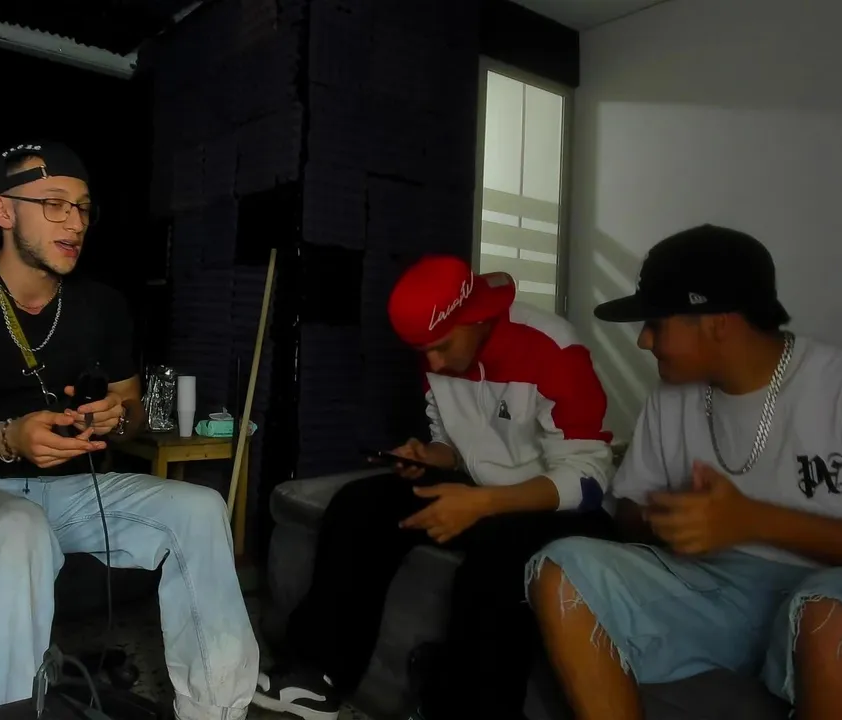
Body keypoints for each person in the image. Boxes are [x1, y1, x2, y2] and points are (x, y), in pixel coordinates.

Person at [0, 141, 257, 719]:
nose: (76, 223)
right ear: (2, 211)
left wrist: (116, 417)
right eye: (55, 204)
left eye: (83, 207)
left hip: (74, 493)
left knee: (201, 508)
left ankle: (217, 713)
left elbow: (132, 410)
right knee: (18, 528)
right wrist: (7, 438)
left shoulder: (102, 306)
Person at [526, 225, 842, 720]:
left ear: (718, 323)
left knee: (833, 617)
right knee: (562, 570)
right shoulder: (671, 397)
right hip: (721, 587)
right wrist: (672, 520)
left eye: (656, 324)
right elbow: (631, 511)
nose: (643, 340)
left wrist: (753, 521)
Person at [252, 255, 618, 720]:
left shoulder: (554, 347)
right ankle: (317, 676)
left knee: (498, 557)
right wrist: (429, 456)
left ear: (478, 318)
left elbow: (588, 477)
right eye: (423, 351)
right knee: (359, 505)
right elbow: (454, 447)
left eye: (441, 347)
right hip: (482, 493)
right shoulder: (437, 354)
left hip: (557, 508)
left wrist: (484, 503)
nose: (433, 363)